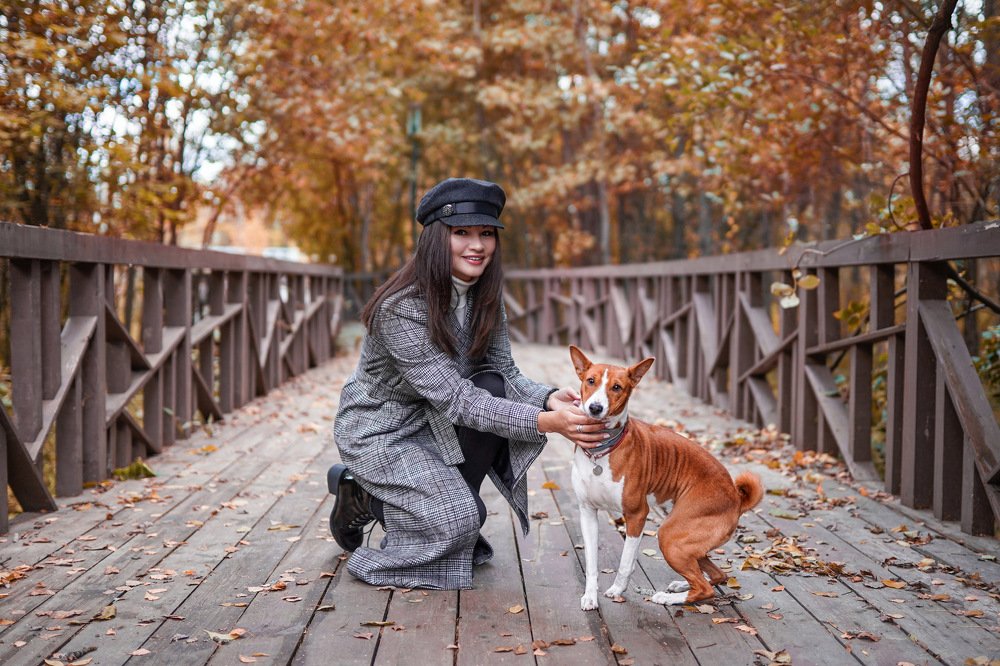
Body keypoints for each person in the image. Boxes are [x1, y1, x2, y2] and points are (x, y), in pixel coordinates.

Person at [327, 177, 610, 590]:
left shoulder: (484, 298)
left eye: (486, 234)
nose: (477, 245)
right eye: (461, 233)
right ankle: (365, 497)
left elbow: (504, 373)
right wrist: (546, 422)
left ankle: (441, 502)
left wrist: (550, 398)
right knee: (464, 519)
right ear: (435, 238)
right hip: (383, 431)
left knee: (493, 384)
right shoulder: (400, 309)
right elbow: (459, 399)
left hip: (439, 420)